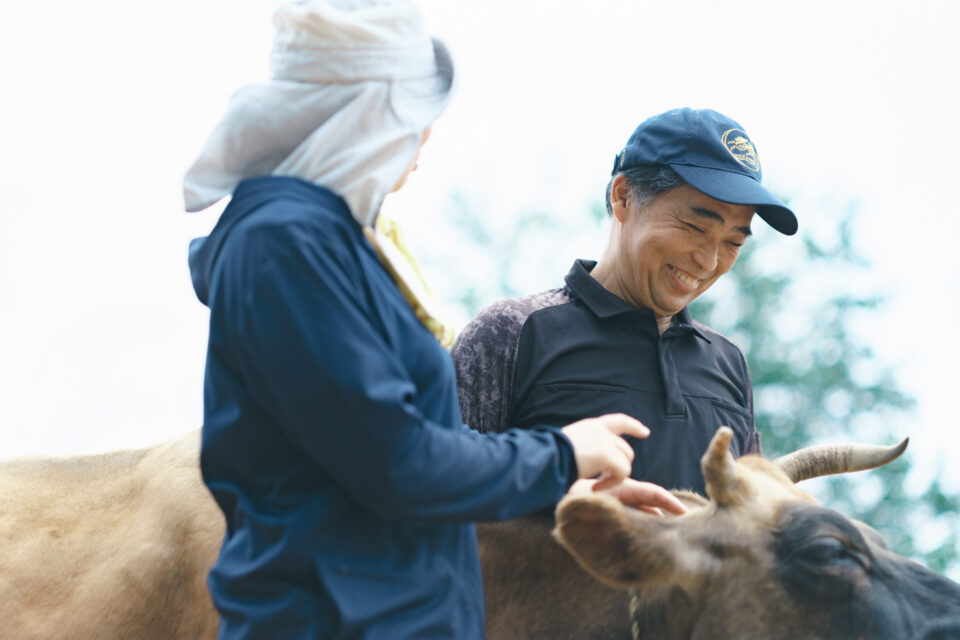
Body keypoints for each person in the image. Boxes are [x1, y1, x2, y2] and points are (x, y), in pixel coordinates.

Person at [182, 1, 683, 638]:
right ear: (367, 118)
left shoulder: (331, 245)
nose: (425, 138)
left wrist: (557, 493)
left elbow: (396, 446)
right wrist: (559, 453)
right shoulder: (286, 247)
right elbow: (397, 463)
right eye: (415, 119)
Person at [452, 107, 799, 496]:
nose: (710, 261)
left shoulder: (729, 362)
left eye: (734, 242)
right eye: (695, 227)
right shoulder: (511, 332)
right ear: (623, 197)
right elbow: (432, 495)